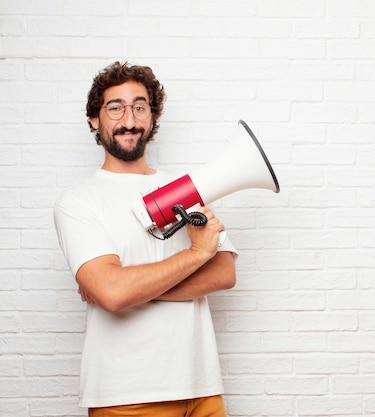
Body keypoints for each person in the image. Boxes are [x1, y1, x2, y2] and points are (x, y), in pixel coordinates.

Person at [54, 61, 237, 417]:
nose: (129, 119)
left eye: (140, 107)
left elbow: (224, 273)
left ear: (151, 118)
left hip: (202, 388)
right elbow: (114, 292)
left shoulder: (184, 189)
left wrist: (127, 288)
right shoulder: (77, 201)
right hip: (126, 395)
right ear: (95, 119)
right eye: (115, 107)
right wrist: (197, 253)